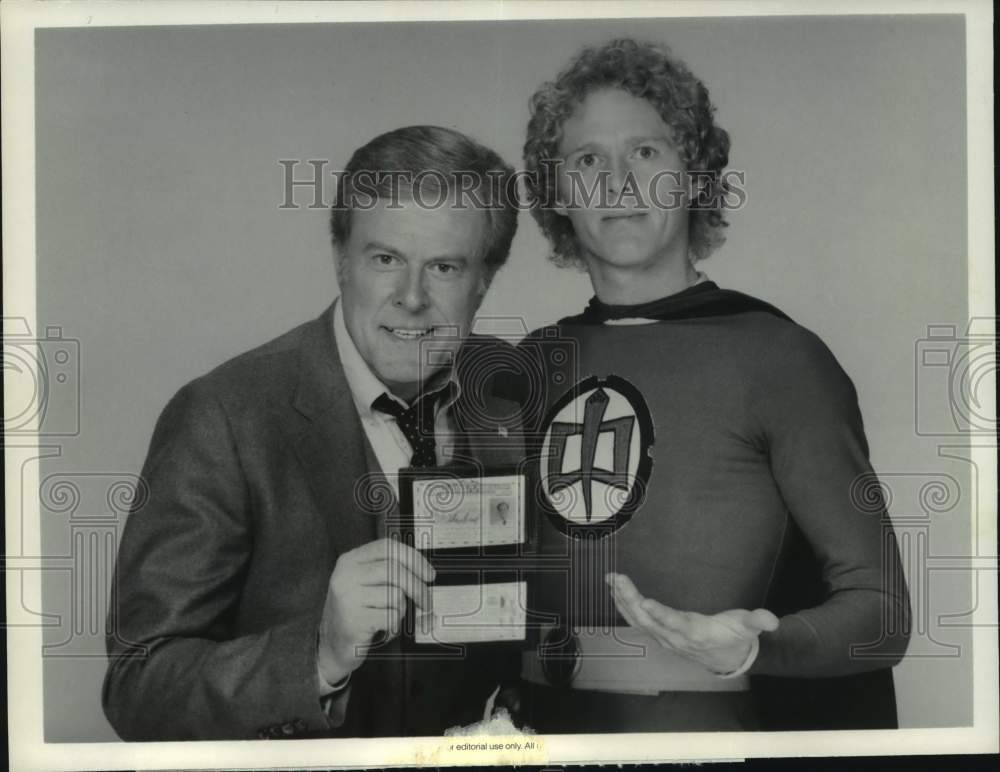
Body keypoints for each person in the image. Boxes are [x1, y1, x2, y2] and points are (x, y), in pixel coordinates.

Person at [510, 38, 911, 732]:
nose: (618, 183)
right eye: (586, 161)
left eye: (645, 152)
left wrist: (755, 646)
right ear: (557, 196)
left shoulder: (781, 359)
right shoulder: (527, 367)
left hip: (717, 735)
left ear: (693, 175)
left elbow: (882, 614)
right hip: (543, 736)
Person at [103, 125, 522, 740]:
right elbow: (138, 685)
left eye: (444, 266)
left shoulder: (513, 397)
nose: (411, 297)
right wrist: (319, 654)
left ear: (484, 279)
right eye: (385, 260)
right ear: (340, 259)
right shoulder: (223, 417)